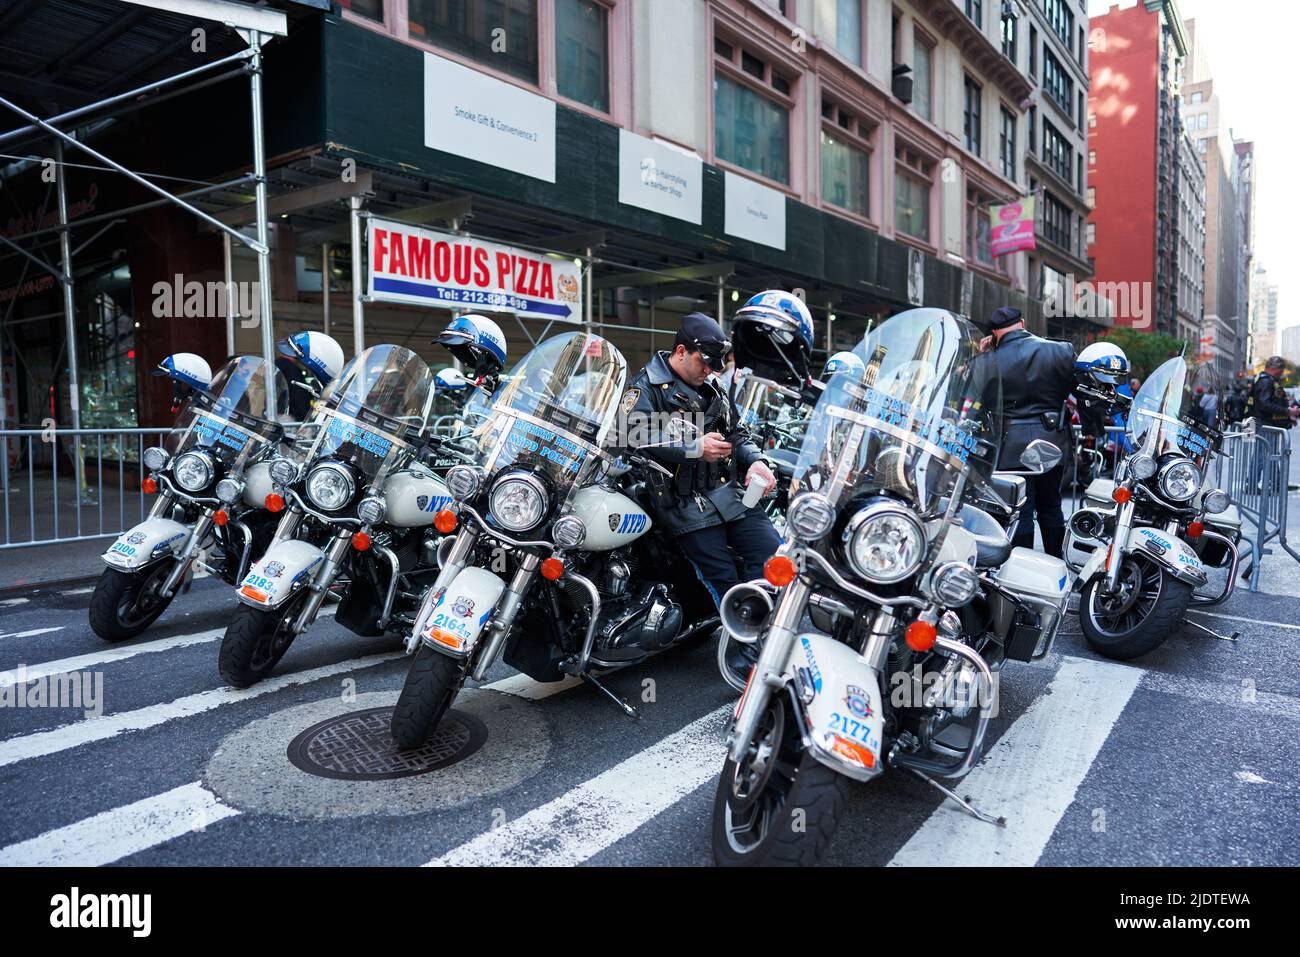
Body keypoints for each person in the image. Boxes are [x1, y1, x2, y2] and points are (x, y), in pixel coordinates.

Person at [621, 312, 781, 607]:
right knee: (725, 583)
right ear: (681, 351)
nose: (709, 370)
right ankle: (744, 640)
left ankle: (765, 625)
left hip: (730, 494)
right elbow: (632, 432)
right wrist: (694, 447)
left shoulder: (714, 387)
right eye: (704, 362)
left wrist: (758, 461)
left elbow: (737, 435)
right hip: (684, 507)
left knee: (775, 557)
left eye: (714, 364)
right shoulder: (645, 387)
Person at [980, 306, 1075, 558]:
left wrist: (986, 355)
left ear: (994, 332)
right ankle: (1056, 561)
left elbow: (983, 401)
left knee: (1021, 508)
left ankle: (1022, 567)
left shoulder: (989, 360)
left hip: (1010, 443)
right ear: (1022, 323)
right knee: (1051, 505)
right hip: (1051, 440)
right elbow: (1079, 393)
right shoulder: (1060, 350)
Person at [1245, 356, 1297, 430]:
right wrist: (1288, 411)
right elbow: (1264, 404)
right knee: (1262, 441)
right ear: (1273, 368)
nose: (1282, 373)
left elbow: (1273, 403)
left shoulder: (1264, 380)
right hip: (1264, 426)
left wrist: (1288, 416)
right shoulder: (1265, 381)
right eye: (1281, 370)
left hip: (1264, 425)